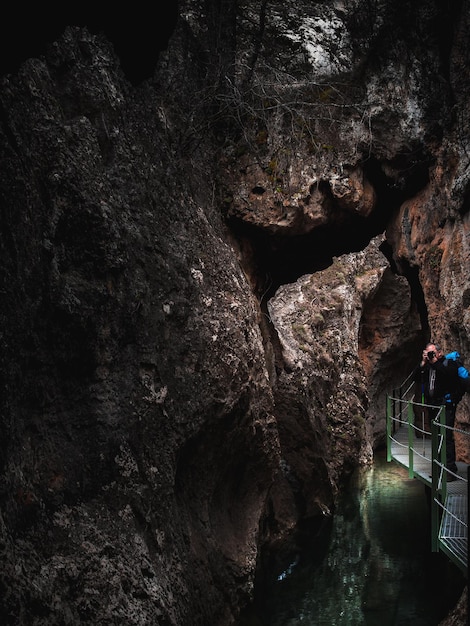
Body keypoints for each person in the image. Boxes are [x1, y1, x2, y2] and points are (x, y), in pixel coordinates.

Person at [413, 342, 470, 477]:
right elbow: (415, 378)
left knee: (446, 437)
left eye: (433, 353)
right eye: (428, 353)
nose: (431, 356)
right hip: (432, 406)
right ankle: (438, 469)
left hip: (446, 406)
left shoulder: (447, 364)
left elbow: (448, 376)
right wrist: (423, 362)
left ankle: (449, 471)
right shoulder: (427, 367)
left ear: (439, 353)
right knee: (437, 438)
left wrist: (434, 362)